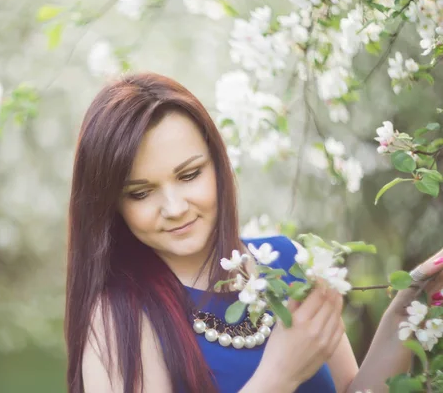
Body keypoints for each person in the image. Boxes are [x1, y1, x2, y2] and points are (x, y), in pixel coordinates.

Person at [64, 72, 443, 393]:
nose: (175, 208)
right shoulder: (119, 317)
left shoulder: (288, 260)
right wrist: (277, 376)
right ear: (112, 204)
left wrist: (403, 315)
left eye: (190, 174)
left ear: (219, 164)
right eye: (141, 193)